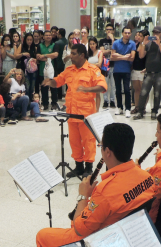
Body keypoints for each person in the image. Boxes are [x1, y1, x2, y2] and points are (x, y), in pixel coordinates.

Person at [35, 123, 157, 247]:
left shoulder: (105, 191)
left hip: (101, 239)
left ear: (108, 152)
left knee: (42, 235)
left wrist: (83, 196)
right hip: (130, 233)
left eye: (101, 146)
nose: (101, 149)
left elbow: (79, 229)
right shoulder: (148, 177)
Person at [42, 44, 107, 178]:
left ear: (82, 55)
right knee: (74, 141)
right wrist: (50, 81)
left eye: (73, 54)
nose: (70, 56)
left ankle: (88, 168)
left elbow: (102, 86)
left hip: (86, 115)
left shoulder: (92, 70)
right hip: (71, 114)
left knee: (88, 142)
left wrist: (87, 89)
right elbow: (58, 81)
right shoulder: (69, 70)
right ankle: (78, 167)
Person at [134, 26, 161, 120]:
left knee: (157, 93)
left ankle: (154, 111)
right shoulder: (148, 44)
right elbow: (141, 56)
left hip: (160, 73)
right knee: (143, 92)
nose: (155, 34)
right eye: (154, 32)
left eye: (157, 33)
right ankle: (140, 111)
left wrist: (159, 44)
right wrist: (143, 43)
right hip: (149, 73)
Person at [111, 27, 136, 117]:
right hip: (117, 70)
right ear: (122, 33)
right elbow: (112, 57)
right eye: (125, 33)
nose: (127, 34)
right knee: (118, 90)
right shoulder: (116, 43)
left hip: (126, 70)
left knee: (126, 90)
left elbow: (132, 57)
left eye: (129, 33)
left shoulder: (132, 44)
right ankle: (119, 107)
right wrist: (125, 57)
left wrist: (119, 56)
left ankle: (128, 108)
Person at [37, 31, 59, 110]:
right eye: (46, 35)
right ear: (43, 37)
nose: (48, 36)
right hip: (42, 70)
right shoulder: (40, 45)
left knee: (53, 87)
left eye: (50, 35)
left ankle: (54, 103)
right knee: (43, 88)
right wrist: (49, 57)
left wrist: (44, 55)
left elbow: (56, 55)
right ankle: (45, 103)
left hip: (52, 70)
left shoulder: (54, 44)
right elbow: (38, 57)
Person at [15, 33, 39, 97]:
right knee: (27, 86)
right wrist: (23, 54)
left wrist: (35, 60)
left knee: (32, 86)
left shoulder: (35, 48)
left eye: (31, 40)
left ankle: (31, 99)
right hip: (24, 69)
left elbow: (38, 59)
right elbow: (16, 56)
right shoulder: (21, 46)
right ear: (25, 40)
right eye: (28, 40)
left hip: (33, 70)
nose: (29, 41)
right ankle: (27, 100)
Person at [99, 24, 117, 109]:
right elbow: (102, 52)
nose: (109, 31)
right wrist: (111, 51)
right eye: (107, 29)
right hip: (104, 65)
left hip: (114, 65)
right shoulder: (102, 41)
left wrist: (113, 40)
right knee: (104, 84)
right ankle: (105, 100)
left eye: (110, 29)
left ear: (113, 31)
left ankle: (112, 100)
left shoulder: (116, 41)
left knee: (113, 85)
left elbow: (115, 51)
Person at [131, 30, 147, 114]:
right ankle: (137, 107)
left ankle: (143, 107)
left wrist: (147, 68)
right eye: (138, 35)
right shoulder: (136, 45)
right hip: (135, 69)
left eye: (140, 36)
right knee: (136, 89)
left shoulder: (147, 45)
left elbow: (144, 57)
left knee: (143, 90)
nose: (138, 37)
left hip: (143, 70)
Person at [87, 36, 104, 111]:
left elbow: (99, 63)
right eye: (90, 44)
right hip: (88, 74)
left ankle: (97, 109)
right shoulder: (88, 53)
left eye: (93, 44)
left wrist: (90, 65)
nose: (92, 45)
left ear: (96, 44)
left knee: (97, 93)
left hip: (97, 74)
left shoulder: (100, 52)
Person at [53, 28, 69, 102]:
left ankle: (59, 96)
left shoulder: (57, 43)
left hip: (59, 64)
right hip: (67, 64)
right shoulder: (68, 42)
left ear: (59, 34)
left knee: (59, 80)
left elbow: (56, 55)